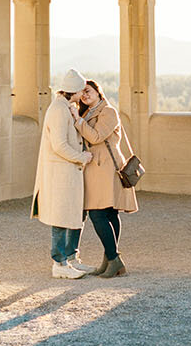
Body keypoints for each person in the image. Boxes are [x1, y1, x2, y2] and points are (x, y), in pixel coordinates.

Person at [31, 68, 94, 278]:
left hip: (69, 172)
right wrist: (81, 157)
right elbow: (59, 145)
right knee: (60, 218)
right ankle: (59, 263)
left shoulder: (66, 107)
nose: (83, 94)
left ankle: (71, 258)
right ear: (74, 91)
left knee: (73, 215)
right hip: (61, 173)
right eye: (81, 90)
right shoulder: (58, 110)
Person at [73, 79, 139, 278]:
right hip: (96, 168)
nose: (85, 95)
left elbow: (96, 136)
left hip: (107, 167)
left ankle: (114, 258)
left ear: (98, 92)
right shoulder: (88, 113)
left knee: (98, 214)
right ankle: (109, 260)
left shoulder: (108, 111)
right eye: (82, 92)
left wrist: (77, 119)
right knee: (109, 214)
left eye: (88, 91)